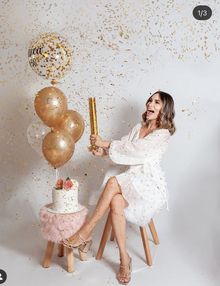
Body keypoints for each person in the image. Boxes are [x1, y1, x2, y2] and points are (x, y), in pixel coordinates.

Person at [62, 91, 176, 284]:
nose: (151, 103)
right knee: (115, 201)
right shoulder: (138, 127)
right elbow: (124, 147)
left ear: (165, 109)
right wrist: (103, 151)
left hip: (148, 185)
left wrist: (106, 142)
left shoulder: (163, 134)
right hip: (131, 180)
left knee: (113, 182)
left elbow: (138, 151)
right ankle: (125, 258)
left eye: (157, 102)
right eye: (150, 100)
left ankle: (86, 232)